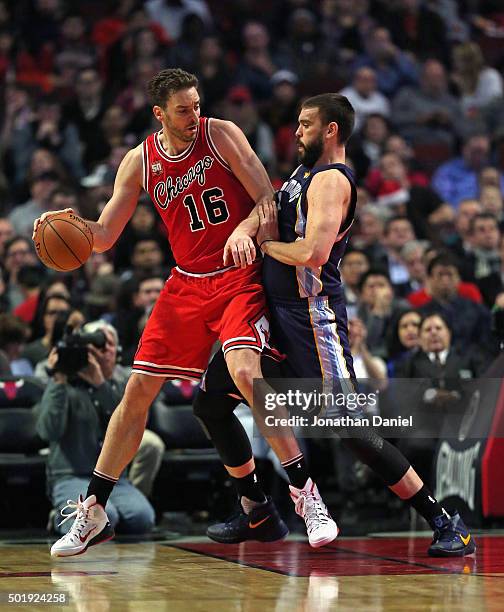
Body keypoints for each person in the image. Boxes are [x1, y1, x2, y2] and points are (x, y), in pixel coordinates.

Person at [35, 68, 329, 556]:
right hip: (187, 285)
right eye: (182, 109)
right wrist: (66, 226)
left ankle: (305, 495)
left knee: (243, 370)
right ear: (159, 114)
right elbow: (104, 235)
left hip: (238, 275)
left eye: (196, 105)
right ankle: (94, 510)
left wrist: (244, 230)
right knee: (137, 390)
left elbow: (268, 200)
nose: (193, 115)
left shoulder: (221, 134)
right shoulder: (140, 161)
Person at [198, 93, 475, 557]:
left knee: (349, 429)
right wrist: (249, 229)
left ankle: (444, 520)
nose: (296, 131)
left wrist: (265, 247)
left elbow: (312, 253)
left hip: (311, 319)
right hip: (273, 315)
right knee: (211, 401)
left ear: (331, 130)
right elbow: (267, 211)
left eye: (306, 124)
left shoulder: (330, 180)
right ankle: (257, 509)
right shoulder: (301, 174)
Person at [34, 320, 156, 540]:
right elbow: (48, 431)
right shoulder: (64, 386)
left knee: (142, 518)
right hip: (72, 475)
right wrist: (59, 380)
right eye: (98, 345)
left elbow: (127, 426)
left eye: (109, 345)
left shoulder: (121, 385)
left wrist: (100, 384)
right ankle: (59, 517)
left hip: (114, 478)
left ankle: (86, 519)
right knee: (108, 515)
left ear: (118, 352)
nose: (104, 351)